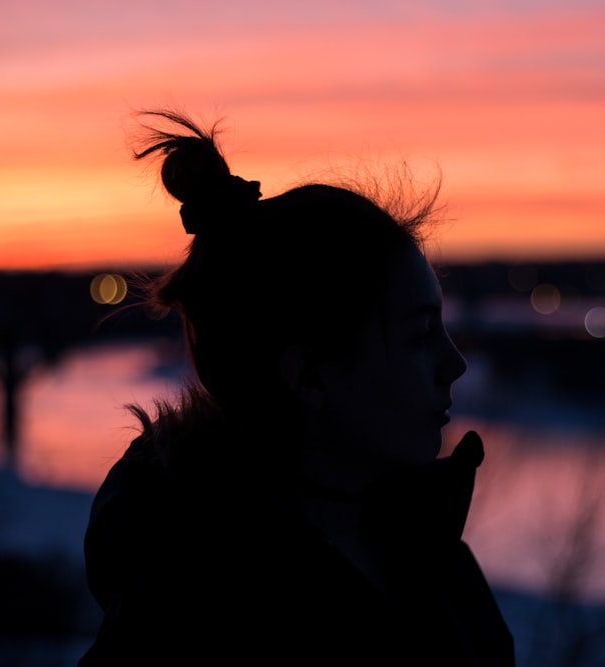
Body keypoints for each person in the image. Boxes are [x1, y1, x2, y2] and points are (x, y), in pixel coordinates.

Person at [79, 110, 515, 665]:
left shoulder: (430, 556)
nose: (454, 364)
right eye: (418, 336)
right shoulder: (190, 624)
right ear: (309, 377)